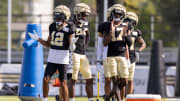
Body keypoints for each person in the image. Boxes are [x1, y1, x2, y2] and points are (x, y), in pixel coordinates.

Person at [28, 5, 74, 101]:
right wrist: (38, 39)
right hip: (52, 57)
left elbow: (71, 46)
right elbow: (48, 44)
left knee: (63, 83)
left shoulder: (70, 28)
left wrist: (73, 44)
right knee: (45, 80)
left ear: (65, 18)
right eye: (56, 18)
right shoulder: (52, 26)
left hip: (63, 58)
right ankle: (45, 99)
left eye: (59, 18)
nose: (57, 20)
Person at [98, 4, 131, 101]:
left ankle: (108, 97)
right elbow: (104, 43)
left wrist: (125, 35)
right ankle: (118, 100)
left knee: (124, 81)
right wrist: (111, 32)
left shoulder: (125, 25)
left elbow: (128, 44)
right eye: (115, 14)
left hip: (121, 56)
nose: (117, 16)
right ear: (112, 14)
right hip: (110, 56)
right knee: (115, 81)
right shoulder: (106, 26)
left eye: (119, 14)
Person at [68, 3, 93, 101]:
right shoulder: (71, 23)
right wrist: (70, 44)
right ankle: (71, 99)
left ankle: (90, 99)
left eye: (86, 15)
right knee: (73, 80)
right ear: (77, 13)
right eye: (83, 14)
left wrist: (85, 45)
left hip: (82, 54)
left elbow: (87, 34)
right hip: (73, 54)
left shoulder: (85, 23)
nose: (85, 17)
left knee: (89, 78)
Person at [120, 12, 146, 99]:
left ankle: (128, 98)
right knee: (123, 80)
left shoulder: (136, 32)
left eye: (131, 21)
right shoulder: (121, 30)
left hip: (132, 57)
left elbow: (143, 44)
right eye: (127, 20)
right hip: (122, 56)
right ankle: (120, 98)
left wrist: (138, 51)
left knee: (130, 80)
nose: (129, 22)